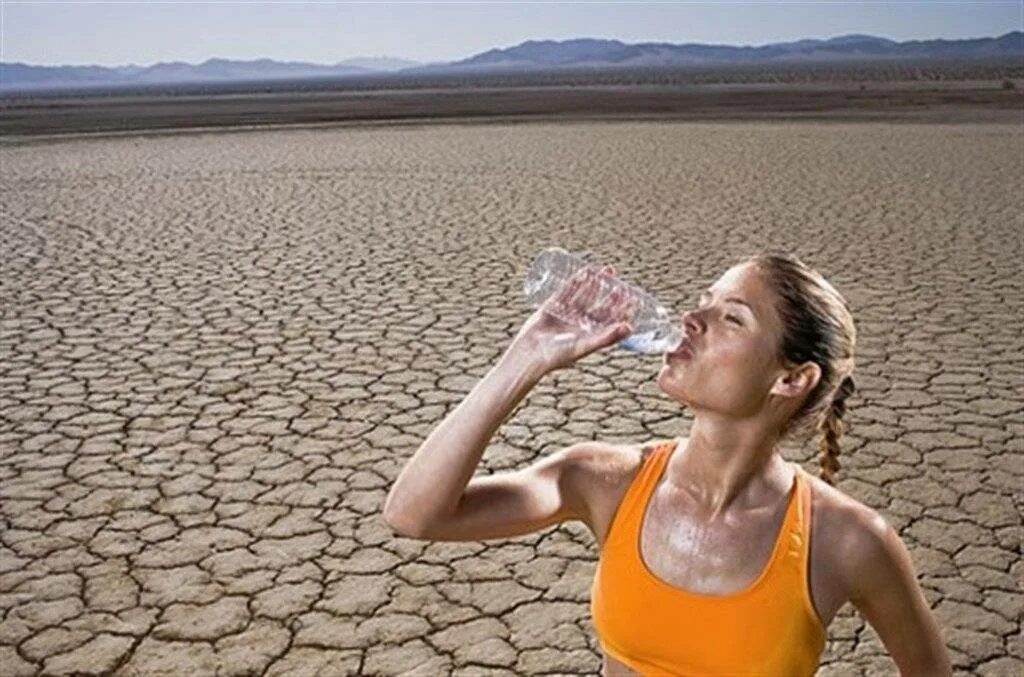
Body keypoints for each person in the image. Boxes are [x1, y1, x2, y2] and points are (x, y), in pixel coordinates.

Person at [383, 253, 952, 676]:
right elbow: (416, 514)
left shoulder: (847, 540)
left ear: (791, 379)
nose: (692, 318)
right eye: (703, 301)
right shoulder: (606, 480)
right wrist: (525, 358)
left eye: (732, 318)